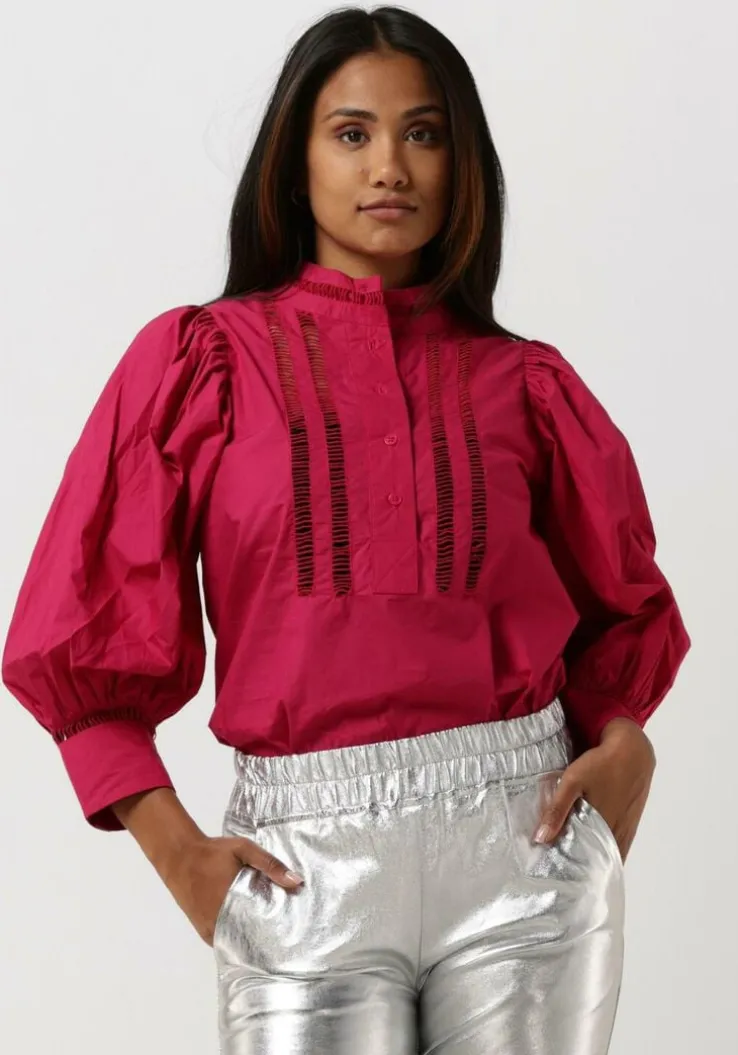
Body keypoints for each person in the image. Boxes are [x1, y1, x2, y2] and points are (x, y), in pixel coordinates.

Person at [1, 6, 690, 1054]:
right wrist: (178, 850)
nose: (390, 168)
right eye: (352, 132)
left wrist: (627, 742)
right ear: (296, 162)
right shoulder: (203, 363)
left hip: (525, 844)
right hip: (301, 865)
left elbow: (624, 607)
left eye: (424, 133)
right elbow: (79, 623)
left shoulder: (527, 383)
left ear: (462, 164)